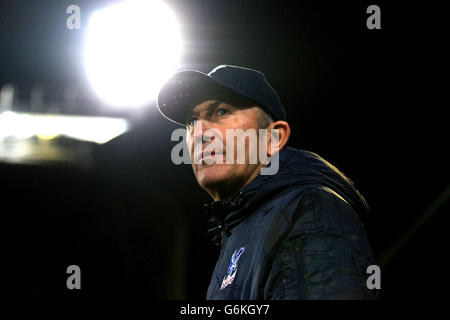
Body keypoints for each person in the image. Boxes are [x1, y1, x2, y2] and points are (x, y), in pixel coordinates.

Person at [157, 65, 378, 299]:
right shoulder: (241, 230)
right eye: (191, 121)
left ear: (273, 138)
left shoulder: (308, 209)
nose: (199, 133)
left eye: (222, 111)